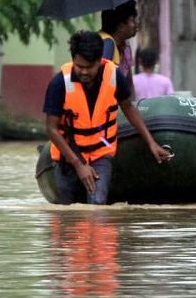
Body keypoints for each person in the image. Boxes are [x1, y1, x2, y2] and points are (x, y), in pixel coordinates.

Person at [44, 31, 171, 205]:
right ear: (73, 60)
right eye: (79, 66)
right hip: (68, 159)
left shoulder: (114, 76)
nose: (84, 72)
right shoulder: (59, 83)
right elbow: (51, 128)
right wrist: (78, 164)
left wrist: (151, 143)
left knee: (97, 205)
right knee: (69, 210)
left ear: (99, 61)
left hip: (100, 155)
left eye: (89, 67)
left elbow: (128, 108)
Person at [100, 0, 138, 81]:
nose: (136, 24)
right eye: (132, 20)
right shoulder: (106, 44)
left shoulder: (125, 46)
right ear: (120, 25)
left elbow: (128, 81)